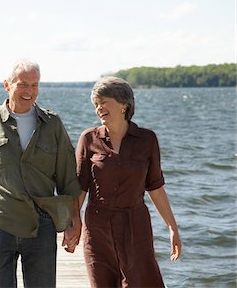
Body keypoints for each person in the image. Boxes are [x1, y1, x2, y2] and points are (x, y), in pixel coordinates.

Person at [0, 59, 82, 287]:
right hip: (0, 222)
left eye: (34, 85)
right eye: (22, 84)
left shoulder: (52, 124)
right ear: (7, 85)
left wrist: (75, 220)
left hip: (42, 224)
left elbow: (67, 178)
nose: (29, 91)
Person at [75, 76, 182, 287]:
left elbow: (156, 187)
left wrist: (172, 228)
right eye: (96, 104)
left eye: (104, 102)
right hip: (98, 227)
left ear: (124, 104)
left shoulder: (147, 140)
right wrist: (73, 223)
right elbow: (80, 187)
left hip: (136, 226)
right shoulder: (88, 139)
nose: (99, 108)